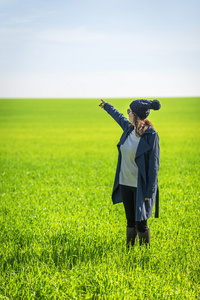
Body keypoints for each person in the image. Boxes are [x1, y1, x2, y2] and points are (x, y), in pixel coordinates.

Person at [99, 98, 161, 248]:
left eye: (129, 111)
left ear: (136, 115)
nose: (127, 113)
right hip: (125, 182)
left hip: (141, 186)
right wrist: (107, 106)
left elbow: (154, 165)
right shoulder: (128, 128)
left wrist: (149, 191)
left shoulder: (151, 135)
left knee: (141, 223)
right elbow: (118, 116)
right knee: (130, 221)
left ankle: (145, 252)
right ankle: (129, 250)